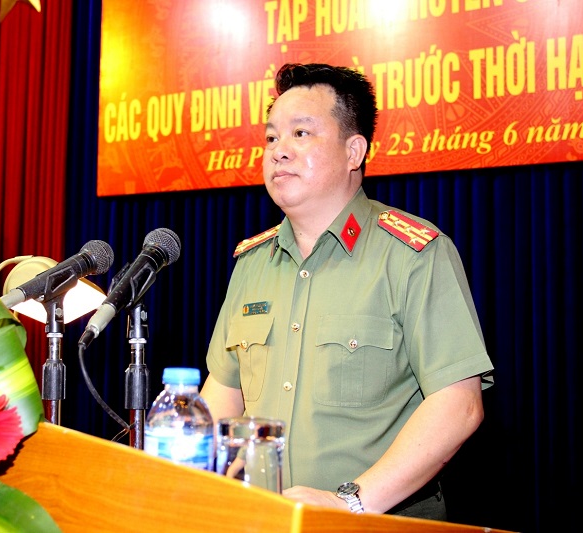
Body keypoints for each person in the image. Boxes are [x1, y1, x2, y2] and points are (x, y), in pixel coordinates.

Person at [201, 63, 494, 520]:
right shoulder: (251, 263)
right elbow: (223, 392)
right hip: (266, 520)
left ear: (354, 151)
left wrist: (350, 503)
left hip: (380, 524)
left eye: (300, 133)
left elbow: (459, 405)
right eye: (271, 138)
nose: (279, 151)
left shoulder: (412, 254)